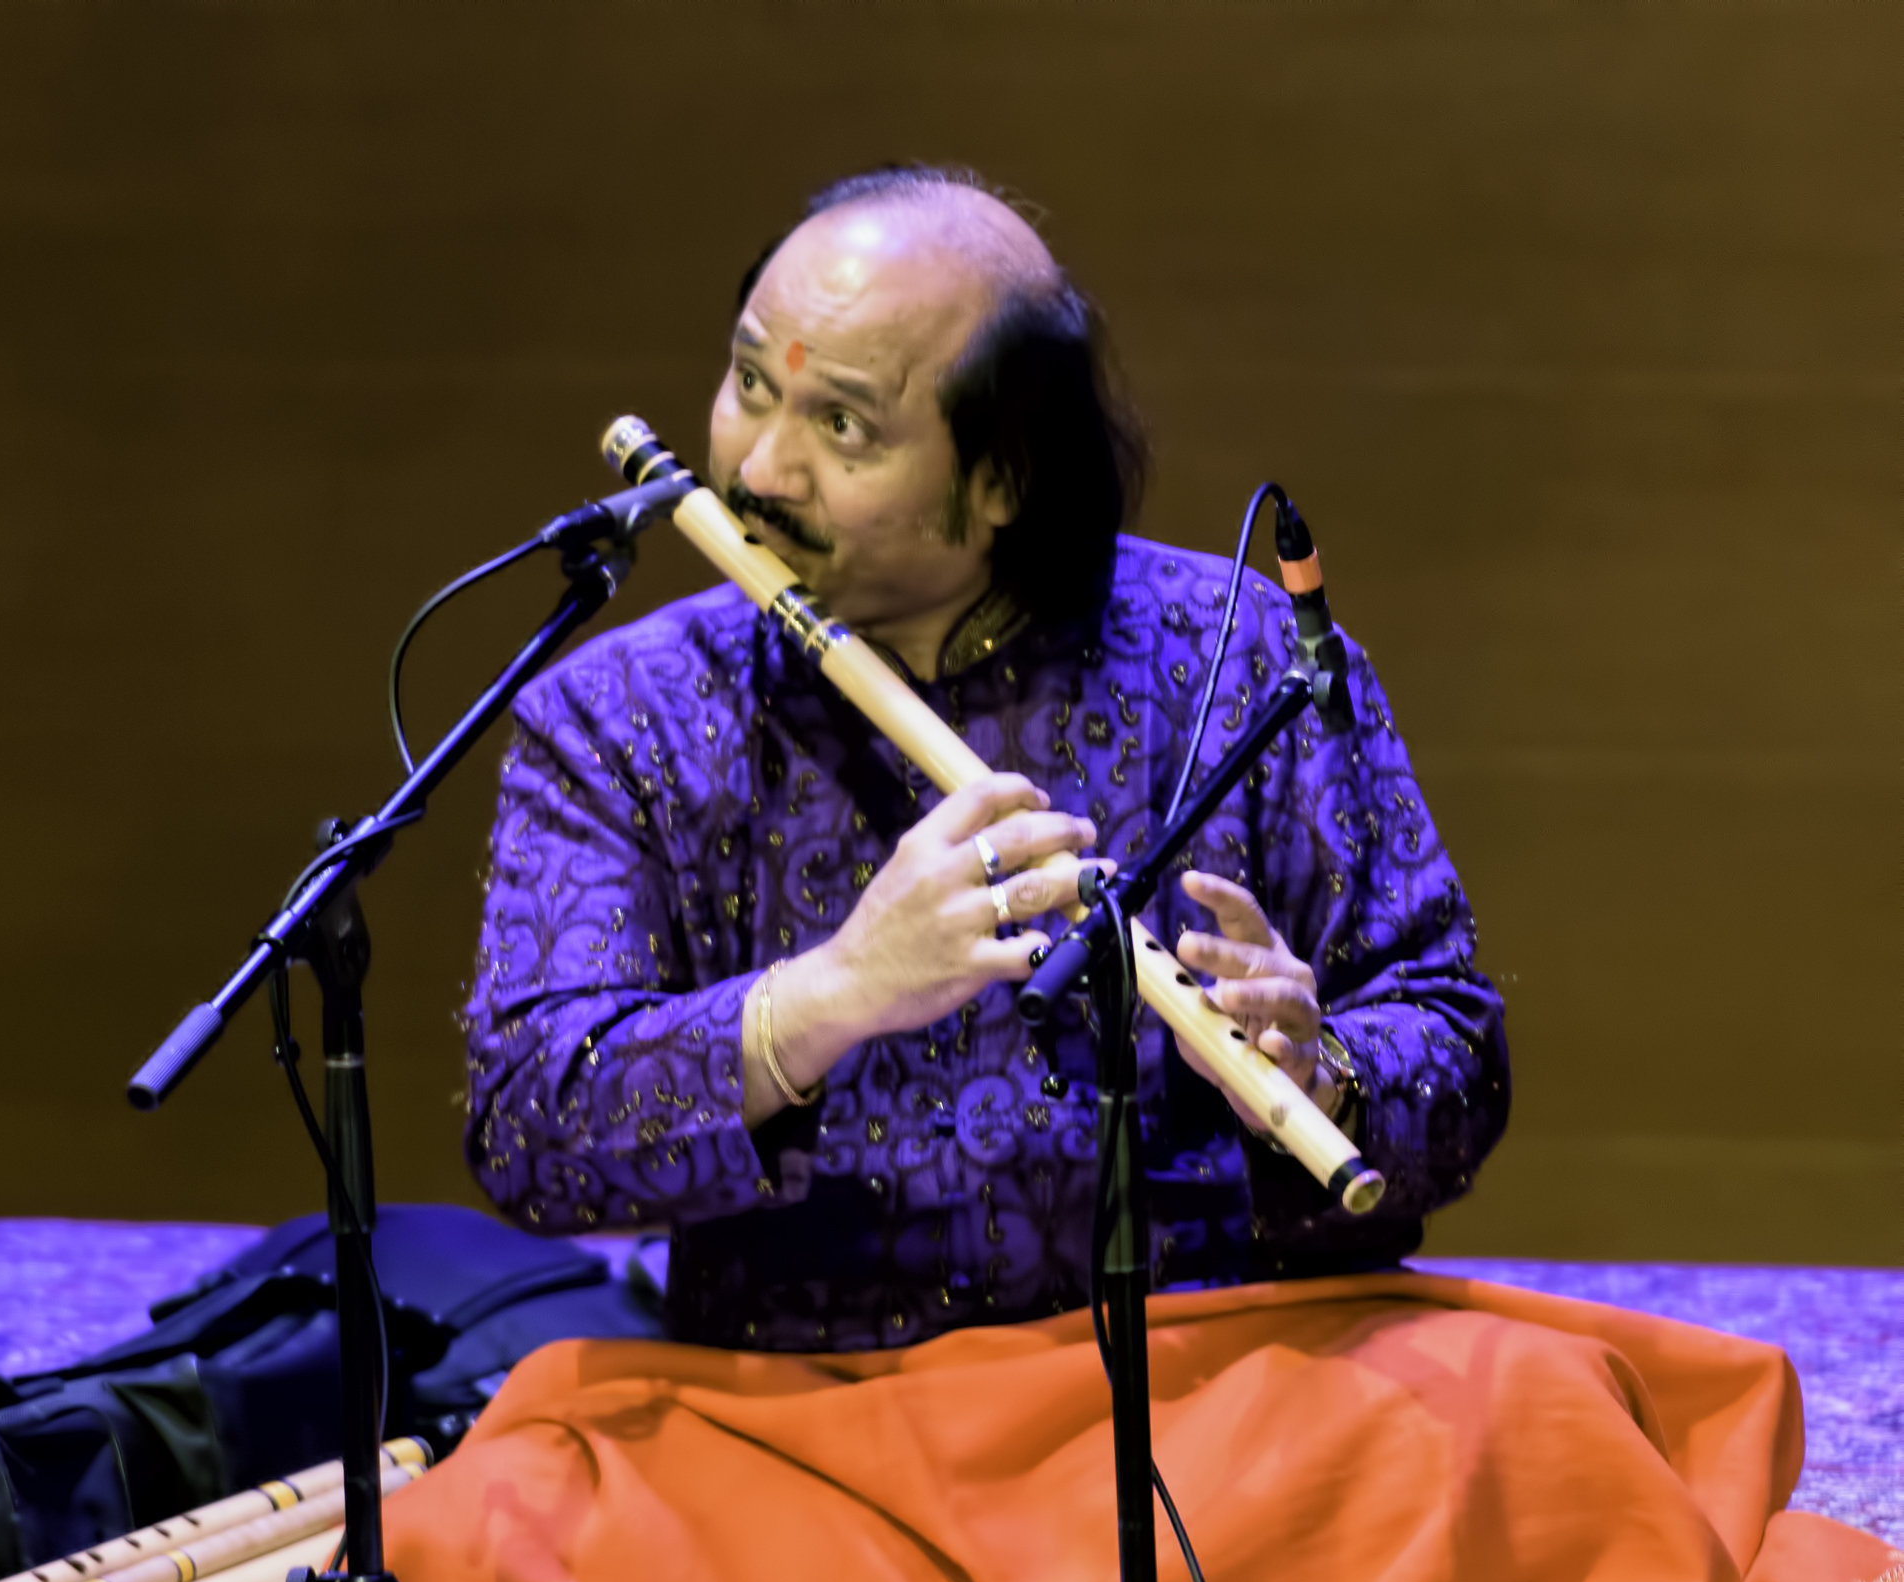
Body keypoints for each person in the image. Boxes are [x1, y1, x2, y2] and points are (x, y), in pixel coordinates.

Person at [462, 166, 1508, 1352]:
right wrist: (829, 995)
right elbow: (527, 1135)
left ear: (1002, 474)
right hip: (805, 1403)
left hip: (1209, 1377)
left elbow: (1458, 1056)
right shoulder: (620, 713)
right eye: (750, 384)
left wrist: (1319, 1074)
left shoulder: (1241, 655)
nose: (756, 469)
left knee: (1531, 1446)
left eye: (840, 425)